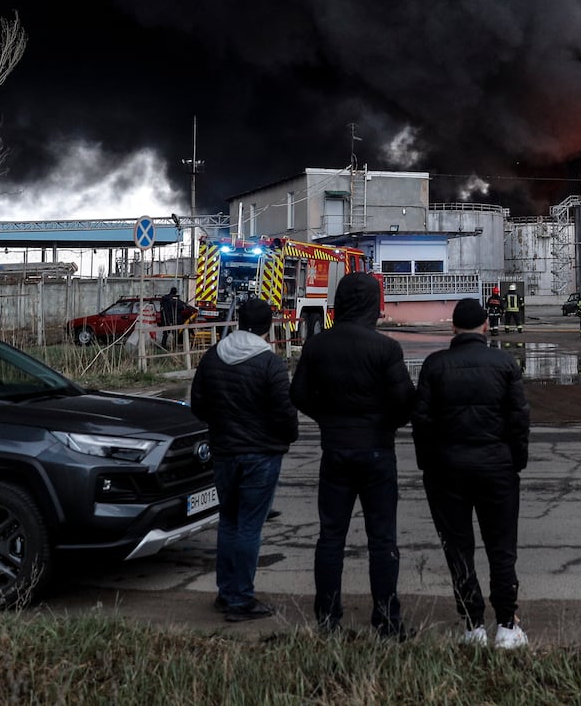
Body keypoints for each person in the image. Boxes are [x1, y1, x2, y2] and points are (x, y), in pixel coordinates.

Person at [290, 272, 416, 639]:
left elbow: (297, 394)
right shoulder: (386, 348)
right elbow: (404, 401)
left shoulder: (317, 346)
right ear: (371, 304)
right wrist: (384, 424)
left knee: (330, 537)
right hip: (377, 451)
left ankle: (328, 620)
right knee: (382, 539)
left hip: (335, 451)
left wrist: (328, 419)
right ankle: (387, 620)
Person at [411, 298, 530, 650]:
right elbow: (519, 420)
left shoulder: (435, 365)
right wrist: (516, 462)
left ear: (453, 328)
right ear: (486, 327)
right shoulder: (504, 363)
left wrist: (427, 464)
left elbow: (421, 421)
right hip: (497, 468)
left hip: (446, 470)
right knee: (502, 547)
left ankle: (473, 625)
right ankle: (507, 626)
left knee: (458, 548)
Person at [190, 297, 298, 622]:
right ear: (269, 326)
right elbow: (286, 416)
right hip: (261, 456)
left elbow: (198, 405)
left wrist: (222, 428)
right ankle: (240, 600)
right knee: (250, 526)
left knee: (229, 522)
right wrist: (282, 439)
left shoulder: (213, 357)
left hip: (224, 453)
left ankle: (226, 593)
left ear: (238, 321)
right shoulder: (270, 363)